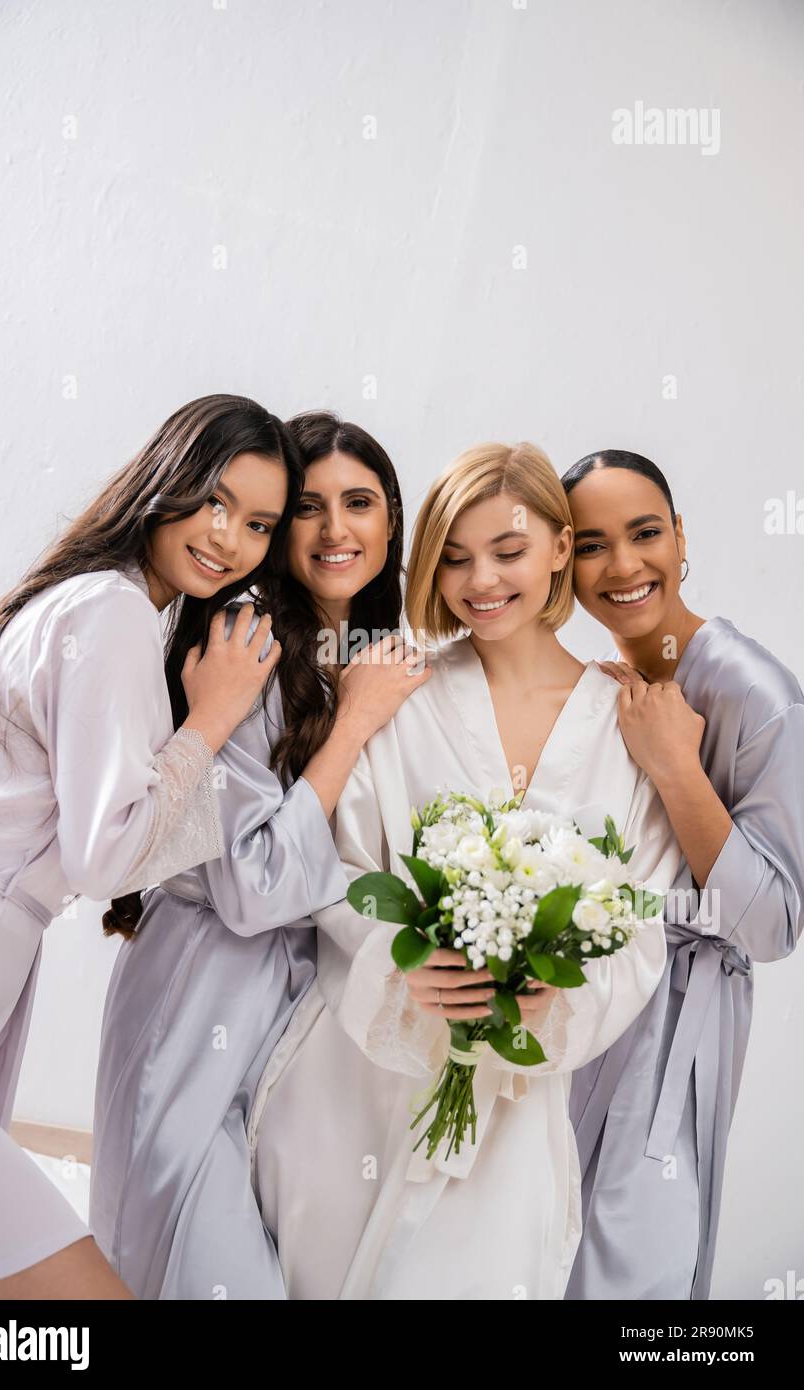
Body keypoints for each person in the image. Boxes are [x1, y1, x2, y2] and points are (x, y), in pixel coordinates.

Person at [250, 441, 681, 1299]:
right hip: (356, 1081)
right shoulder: (398, 691)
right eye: (452, 558)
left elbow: (643, 921)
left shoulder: (624, 723)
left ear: (561, 548)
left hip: (517, 1105)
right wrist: (401, 966)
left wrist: (558, 999)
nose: (480, 581)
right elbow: (334, 874)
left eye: (509, 552)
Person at [0, 393, 298, 1297]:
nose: (229, 537)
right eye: (215, 500)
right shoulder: (111, 612)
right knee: (71, 1294)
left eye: (259, 524)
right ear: (166, 476)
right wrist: (214, 717)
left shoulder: (107, 607)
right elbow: (106, 856)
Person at [90, 412, 431, 1298]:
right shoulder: (250, 641)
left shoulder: (364, 656)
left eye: (358, 504)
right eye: (305, 510)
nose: (333, 531)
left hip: (298, 1027)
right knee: (202, 1268)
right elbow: (255, 887)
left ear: (391, 521)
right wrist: (353, 722)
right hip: (202, 993)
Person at [561, 448, 804, 1300]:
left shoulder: (758, 692)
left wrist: (675, 765)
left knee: (637, 1274)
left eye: (644, 533)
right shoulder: (603, 686)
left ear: (681, 537)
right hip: (584, 1016)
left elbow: (774, 923)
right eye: (591, 544)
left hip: (676, 1033)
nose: (623, 565)